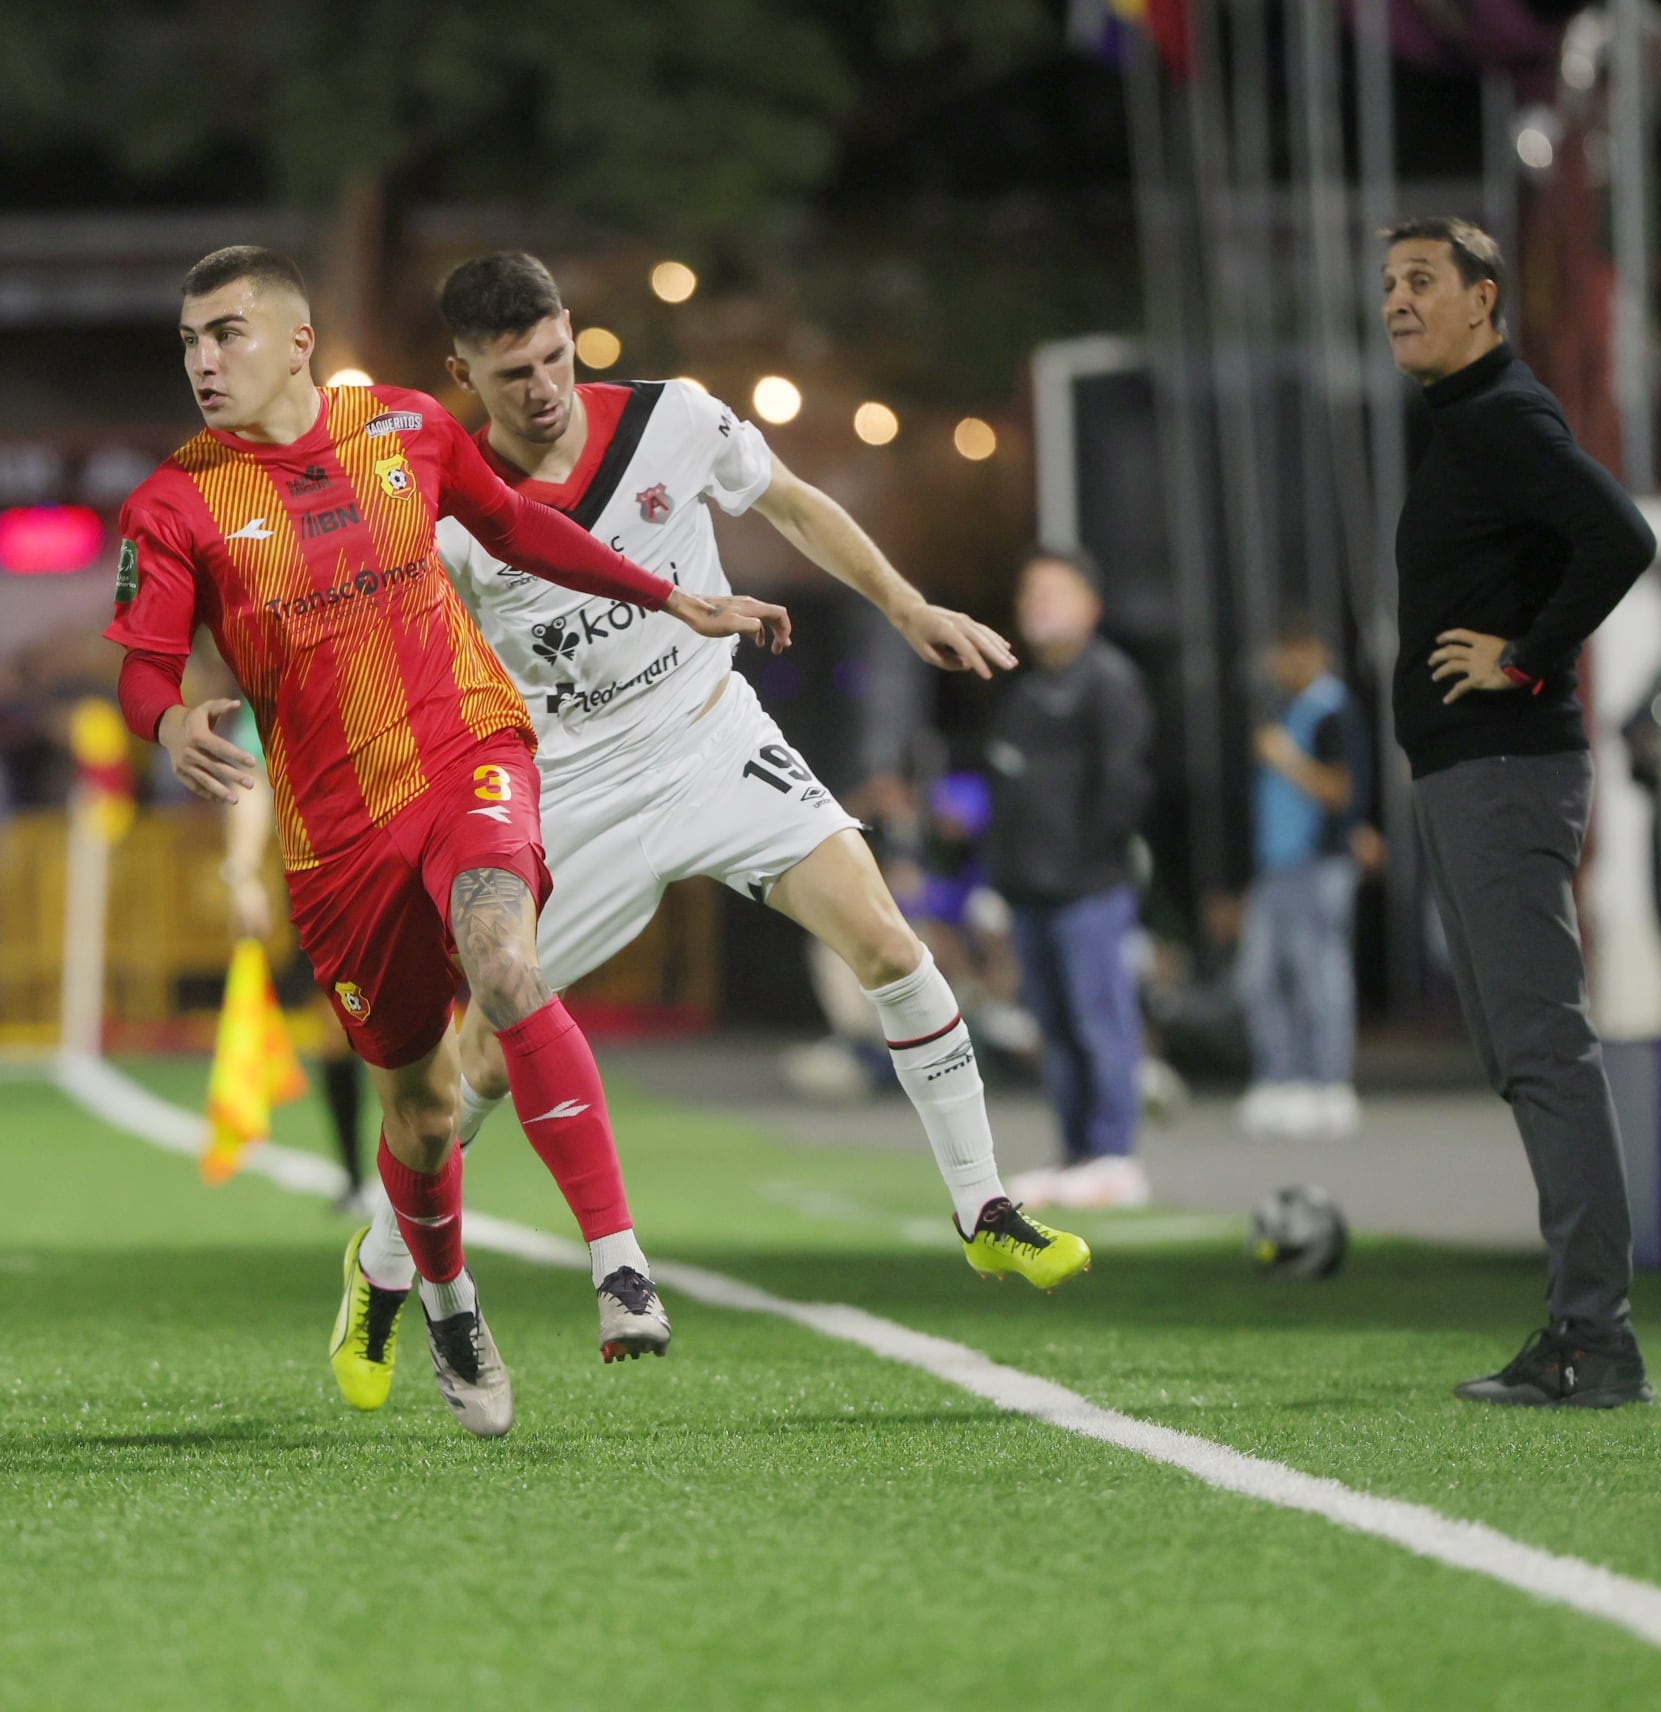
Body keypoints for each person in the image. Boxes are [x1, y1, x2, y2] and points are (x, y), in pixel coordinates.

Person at [338, 251, 1089, 1367]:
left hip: (710, 738)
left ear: (571, 332)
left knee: (887, 938)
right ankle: (385, 1264)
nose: (542, 387)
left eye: (553, 357)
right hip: (573, 785)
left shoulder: (674, 420)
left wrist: (907, 603)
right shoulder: (449, 519)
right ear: (462, 373)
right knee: (478, 1066)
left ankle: (984, 1211)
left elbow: (789, 500)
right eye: (511, 375)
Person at [106, 246, 786, 1438]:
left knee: (509, 965)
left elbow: (517, 526)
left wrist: (668, 593)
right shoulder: (175, 502)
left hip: (467, 749)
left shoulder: (410, 429)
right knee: (420, 1116)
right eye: (189, 342)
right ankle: (444, 1296)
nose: (202, 361)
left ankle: (620, 1264)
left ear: (297, 340)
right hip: (337, 835)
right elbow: (145, 664)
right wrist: (165, 722)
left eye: (225, 334)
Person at [1381, 216, 1657, 1407]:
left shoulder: (1503, 414)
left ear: (1485, 300)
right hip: (1470, 771)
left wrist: (1530, 658)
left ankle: (1595, 1337)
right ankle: (1580, 1323)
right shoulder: (1465, 419)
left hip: (1504, 765)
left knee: (1545, 1050)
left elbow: (1622, 534)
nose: (1397, 300)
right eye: (1388, 284)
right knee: (1522, 1051)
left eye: (1422, 280)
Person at [979, 551, 1155, 1210]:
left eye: (1055, 590)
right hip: (1030, 892)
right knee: (1054, 1029)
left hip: (1090, 890)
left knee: (1099, 1021)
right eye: (1030, 591)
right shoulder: (1023, 693)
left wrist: (1088, 865)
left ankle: (1117, 1155)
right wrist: (1001, 883)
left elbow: (1126, 786)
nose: (1038, 603)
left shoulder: (1110, 682)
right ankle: (1078, 1154)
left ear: (1092, 606)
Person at [216, 694, 373, 1210]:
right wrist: (241, 871)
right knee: (337, 1030)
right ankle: (356, 1177)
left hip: (405, 858)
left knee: (426, 1033)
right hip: (325, 880)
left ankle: (421, 1178)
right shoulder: (269, 691)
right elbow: (254, 780)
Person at [1235, 619, 1372, 1141]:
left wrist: (1287, 759)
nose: (1274, 666)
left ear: (1310, 651)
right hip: (1278, 865)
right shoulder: (1292, 708)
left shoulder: (1333, 710)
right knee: (1262, 975)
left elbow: (1340, 791)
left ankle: (1330, 1082)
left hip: (1319, 864)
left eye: (1283, 653)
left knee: (1320, 974)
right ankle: (1281, 1078)